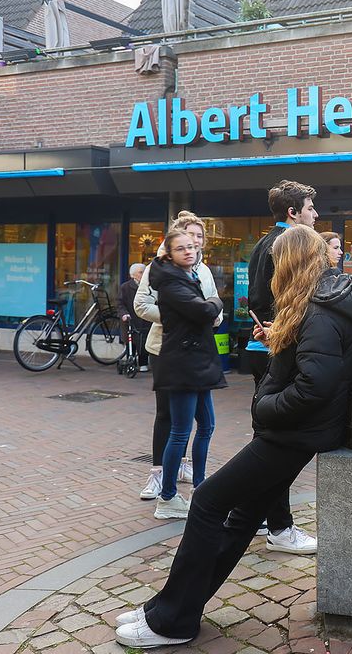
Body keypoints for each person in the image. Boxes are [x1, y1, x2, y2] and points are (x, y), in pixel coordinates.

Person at [114, 226, 352, 649]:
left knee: (210, 501)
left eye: (276, 264)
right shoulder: (325, 301)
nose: (271, 272)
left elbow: (314, 386)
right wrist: (277, 344)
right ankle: (172, 607)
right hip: (297, 433)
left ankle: (173, 621)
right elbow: (314, 365)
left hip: (291, 435)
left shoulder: (320, 311)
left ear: (292, 263)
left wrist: (265, 404)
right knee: (240, 520)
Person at [243, 179, 320, 554]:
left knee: (267, 436)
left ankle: (257, 512)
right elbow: (283, 301)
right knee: (278, 440)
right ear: (293, 213)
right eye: (309, 208)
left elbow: (254, 300)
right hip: (281, 350)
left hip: (268, 347)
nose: (315, 215)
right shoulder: (285, 246)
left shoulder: (262, 243)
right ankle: (279, 525)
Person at [133, 211, 222, 502]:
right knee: (168, 417)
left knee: (199, 423)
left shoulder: (204, 270)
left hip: (197, 350)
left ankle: (186, 472)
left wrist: (207, 315)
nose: (193, 243)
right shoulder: (159, 270)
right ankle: (159, 477)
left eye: (198, 238)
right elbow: (142, 305)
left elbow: (214, 308)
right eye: (188, 237)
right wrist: (177, 317)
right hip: (165, 347)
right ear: (174, 241)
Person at [117, 263, 150, 372]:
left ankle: (143, 363)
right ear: (133, 275)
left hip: (145, 319)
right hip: (130, 319)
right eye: (141, 272)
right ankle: (130, 362)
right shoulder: (125, 287)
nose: (144, 274)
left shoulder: (149, 286)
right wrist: (124, 314)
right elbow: (120, 304)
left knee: (144, 341)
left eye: (145, 271)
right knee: (131, 342)